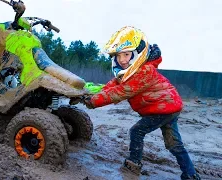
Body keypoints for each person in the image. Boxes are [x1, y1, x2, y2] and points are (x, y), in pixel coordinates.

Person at [83, 26, 201, 180]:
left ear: (138, 53)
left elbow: (121, 91)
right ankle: (190, 175)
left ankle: (133, 165)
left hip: (163, 108)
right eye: (119, 56)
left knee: (136, 131)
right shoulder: (131, 72)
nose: (123, 60)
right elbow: (114, 84)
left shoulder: (144, 71)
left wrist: (93, 101)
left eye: (126, 54)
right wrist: (97, 92)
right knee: (174, 144)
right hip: (168, 107)